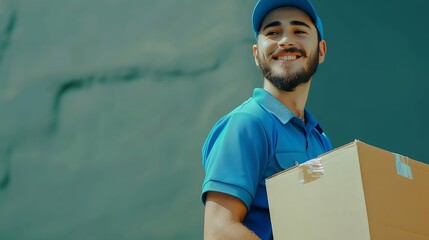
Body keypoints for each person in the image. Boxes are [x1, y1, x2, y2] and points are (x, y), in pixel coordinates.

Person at [201, 0, 332, 239]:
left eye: (299, 31)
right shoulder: (246, 124)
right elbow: (218, 230)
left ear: (321, 51)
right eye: (273, 32)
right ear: (256, 54)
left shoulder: (320, 139)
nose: (285, 41)